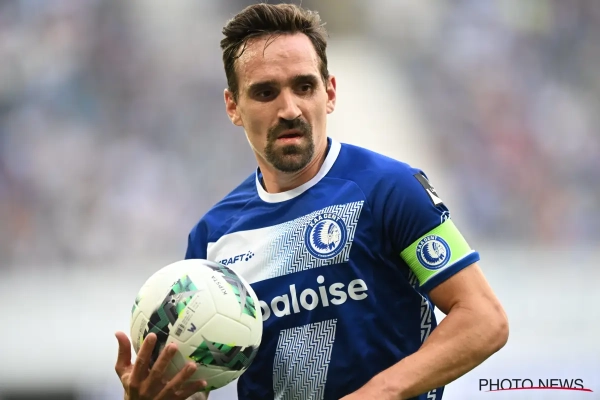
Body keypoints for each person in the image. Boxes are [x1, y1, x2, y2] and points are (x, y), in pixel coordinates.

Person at [115, 3, 509, 400]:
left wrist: (379, 393)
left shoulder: (390, 189)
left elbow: (484, 318)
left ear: (329, 92)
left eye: (304, 87)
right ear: (233, 106)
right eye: (266, 92)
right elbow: (194, 388)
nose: (289, 109)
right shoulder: (212, 238)